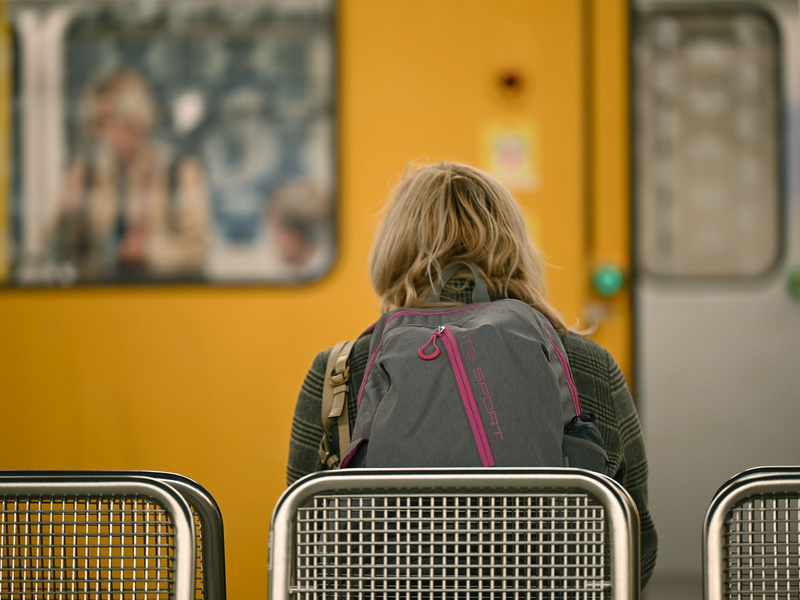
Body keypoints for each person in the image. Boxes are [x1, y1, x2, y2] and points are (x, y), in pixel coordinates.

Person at [287, 161, 657, 587]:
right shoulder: (586, 364)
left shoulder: (339, 370)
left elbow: (303, 542)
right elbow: (637, 545)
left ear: (392, 251)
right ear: (516, 247)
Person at [53, 67, 209, 282]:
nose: (108, 131)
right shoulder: (86, 174)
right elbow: (60, 255)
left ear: (137, 117)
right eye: (100, 122)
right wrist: (66, 219)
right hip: (99, 295)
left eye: (114, 119)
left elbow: (198, 251)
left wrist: (148, 250)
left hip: (161, 295)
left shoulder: (179, 171)